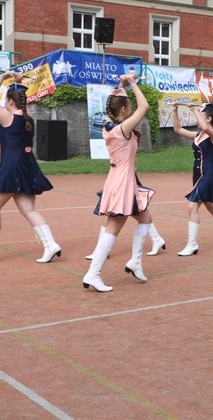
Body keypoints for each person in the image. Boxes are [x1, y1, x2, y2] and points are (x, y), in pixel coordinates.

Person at [0, 71, 60, 264]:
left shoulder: (8, 118)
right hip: (27, 165)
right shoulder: (28, 118)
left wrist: (2, 77)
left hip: (12, 166)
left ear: (10, 101)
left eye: (5, 100)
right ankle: (50, 244)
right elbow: (23, 106)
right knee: (28, 208)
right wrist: (17, 83)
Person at [82, 74, 154, 292]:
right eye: (128, 106)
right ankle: (93, 274)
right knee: (113, 228)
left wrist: (121, 86)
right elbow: (145, 106)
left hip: (119, 179)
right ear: (124, 109)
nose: (131, 109)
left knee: (145, 218)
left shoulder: (108, 125)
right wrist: (132, 84)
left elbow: (115, 104)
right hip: (122, 181)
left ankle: (135, 262)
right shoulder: (122, 129)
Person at [171, 103, 213, 255]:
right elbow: (178, 129)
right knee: (210, 205)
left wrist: (194, 109)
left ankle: (192, 244)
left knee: (192, 207)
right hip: (197, 174)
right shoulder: (198, 135)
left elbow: (206, 128)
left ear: (208, 119)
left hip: (207, 173)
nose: (197, 116)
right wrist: (175, 111)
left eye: (201, 114)